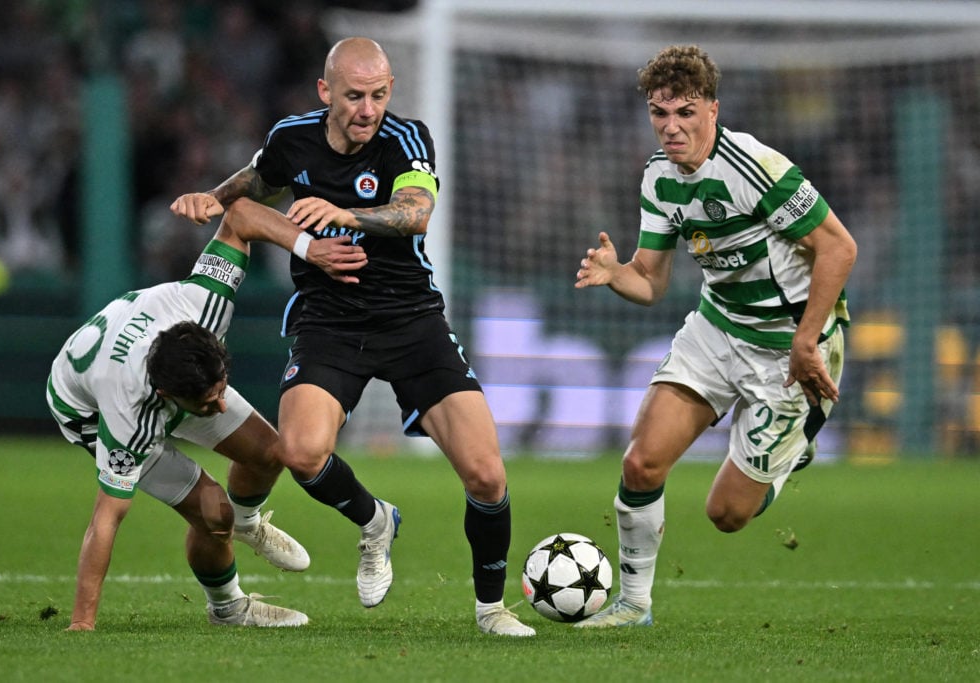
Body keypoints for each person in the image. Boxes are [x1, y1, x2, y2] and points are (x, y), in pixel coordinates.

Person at [170, 37, 535, 637]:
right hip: (329, 320)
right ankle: (375, 524)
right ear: (325, 92)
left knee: (487, 476)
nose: (369, 109)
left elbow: (414, 213)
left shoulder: (406, 139)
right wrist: (213, 198)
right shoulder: (294, 136)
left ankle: (491, 609)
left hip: (411, 319)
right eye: (355, 96)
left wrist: (339, 214)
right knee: (301, 452)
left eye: (379, 95)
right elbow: (262, 179)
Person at [573, 45, 857, 628]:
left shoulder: (754, 167)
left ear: (712, 110)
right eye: (660, 113)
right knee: (641, 465)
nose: (671, 127)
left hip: (789, 346)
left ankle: (791, 450)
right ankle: (633, 605)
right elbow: (650, 282)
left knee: (726, 514)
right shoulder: (658, 176)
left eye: (685, 112)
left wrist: (806, 343)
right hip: (717, 327)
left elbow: (838, 247)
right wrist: (614, 274)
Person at [47, 198, 368, 630]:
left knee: (271, 453)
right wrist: (82, 624)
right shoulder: (129, 415)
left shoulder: (204, 304)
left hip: (154, 365)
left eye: (223, 391)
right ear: (168, 396)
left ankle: (247, 523)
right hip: (87, 408)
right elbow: (106, 518)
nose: (221, 407)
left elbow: (240, 215)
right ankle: (229, 608)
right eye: (208, 404)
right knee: (214, 513)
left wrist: (311, 249)